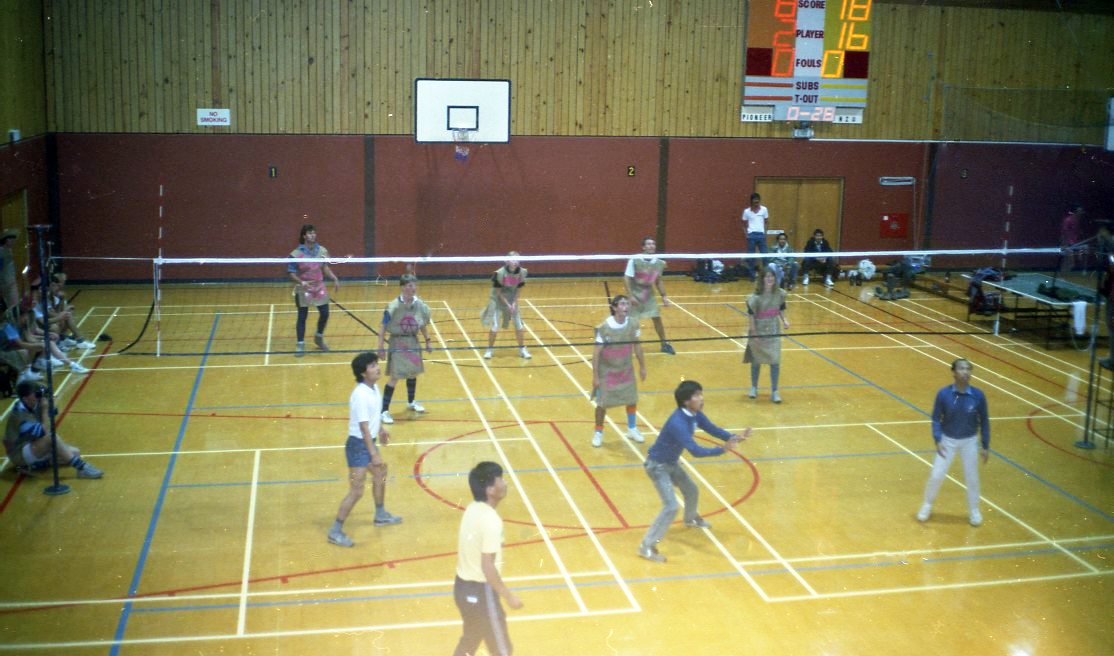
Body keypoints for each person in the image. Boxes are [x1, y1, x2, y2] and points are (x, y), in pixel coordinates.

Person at [638, 380, 749, 563]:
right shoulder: (678, 422)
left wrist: (734, 437)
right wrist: (723, 449)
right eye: (697, 395)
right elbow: (695, 451)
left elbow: (712, 428)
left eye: (700, 394)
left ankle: (690, 520)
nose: (701, 398)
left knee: (691, 490)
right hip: (657, 468)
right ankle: (646, 546)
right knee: (671, 506)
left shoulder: (694, 414)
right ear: (686, 401)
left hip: (671, 463)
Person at [328, 352, 401, 547]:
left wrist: (382, 429)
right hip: (358, 447)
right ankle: (335, 531)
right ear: (363, 373)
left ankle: (380, 514)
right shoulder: (360, 395)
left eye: (376, 364)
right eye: (372, 366)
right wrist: (374, 454)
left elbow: (373, 417)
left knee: (381, 474)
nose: (377, 368)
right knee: (357, 491)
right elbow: (363, 427)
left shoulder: (374, 388)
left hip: (368, 442)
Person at [453, 461, 521, 656]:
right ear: (491, 489)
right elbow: (488, 566)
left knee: (471, 638)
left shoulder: (472, 508)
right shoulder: (491, 521)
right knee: (501, 649)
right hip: (482, 593)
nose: (505, 482)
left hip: (462, 588)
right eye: (500, 478)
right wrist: (508, 596)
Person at [916, 358, 990, 527]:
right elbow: (935, 418)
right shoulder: (943, 394)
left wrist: (985, 445)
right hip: (947, 442)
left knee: (972, 478)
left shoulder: (978, 396)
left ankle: (974, 511)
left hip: (969, 442)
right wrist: (938, 439)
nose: (966, 372)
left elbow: (985, 421)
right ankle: (927, 505)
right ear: (954, 373)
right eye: (962, 368)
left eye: (968, 369)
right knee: (936, 475)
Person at [4, 380, 102, 478]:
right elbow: (44, 433)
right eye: (35, 396)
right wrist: (45, 409)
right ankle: (81, 468)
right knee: (51, 438)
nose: (38, 398)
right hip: (19, 453)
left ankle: (37, 464)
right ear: (25, 399)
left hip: (33, 445)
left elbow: (54, 411)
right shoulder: (19, 415)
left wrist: (47, 397)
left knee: (75, 453)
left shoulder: (30, 404)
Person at [591, 295, 646, 447]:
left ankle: (632, 429)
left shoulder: (633, 324)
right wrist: (595, 376)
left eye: (627, 304)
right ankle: (598, 432)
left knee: (631, 398)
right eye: (622, 304)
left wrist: (642, 366)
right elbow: (596, 354)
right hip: (607, 372)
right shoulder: (604, 328)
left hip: (626, 369)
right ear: (614, 308)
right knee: (602, 404)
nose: (626, 307)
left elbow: (637, 346)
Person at [378, 273, 432, 425]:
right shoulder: (393, 306)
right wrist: (380, 346)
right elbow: (382, 326)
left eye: (414, 285)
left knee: (412, 373)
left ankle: (411, 402)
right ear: (402, 287)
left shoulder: (419, 304)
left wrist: (428, 341)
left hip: (413, 343)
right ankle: (384, 411)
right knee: (395, 377)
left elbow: (422, 324)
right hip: (398, 343)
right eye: (409, 285)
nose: (413, 288)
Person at [288, 223, 340, 357]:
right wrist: (302, 282)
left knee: (325, 313)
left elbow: (325, 267)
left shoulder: (322, 250)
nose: (313, 235)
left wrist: (334, 278)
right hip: (304, 287)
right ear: (304, 236)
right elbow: (291, 273)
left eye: (314, 233)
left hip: (319, 286)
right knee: (302, 316)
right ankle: (300, 344)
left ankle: (319, 337)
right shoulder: (296, 254)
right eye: (310, 233)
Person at [745, 270, 789, 403]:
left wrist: (784, 320)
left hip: (773, 329)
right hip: (758, 329)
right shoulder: (755, 297)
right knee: (756, 362)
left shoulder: (780, 294)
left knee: (775, 362)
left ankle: (775, 391)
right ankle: (754, 388)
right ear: (762, 279)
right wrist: (754, 334)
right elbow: (751, 316)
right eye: (767, 276)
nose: (770, 279)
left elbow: (780, 309)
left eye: (772, 276)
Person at [625, 237, 675, 354]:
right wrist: (630, 295)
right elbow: (626, 277)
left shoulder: (659, 263)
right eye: (648, 244)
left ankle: (664, 344)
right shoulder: (634, 260)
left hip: (649, 294)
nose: (651, 246)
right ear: (643, 247)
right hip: (635, 294)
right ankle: (625, 346)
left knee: (657, 319)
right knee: (631, 322)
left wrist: (664, 296)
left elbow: (658, 280)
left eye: (653, 244)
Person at [481, 252, 531, 360]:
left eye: (517, 260)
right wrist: (507, 305)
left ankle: (522, 349)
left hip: (512, 300)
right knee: (495, 326)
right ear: (507, 261)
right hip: (498, 301)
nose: (515, 262)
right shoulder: (499, 273)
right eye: (513, 260)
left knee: (519, 326)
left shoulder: (522, 272)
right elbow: (498, 293)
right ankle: (489, 350)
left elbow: (518, 290)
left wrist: (513, 303)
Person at [741, 193, 770, 280]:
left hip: (761, 235)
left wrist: (765, 233)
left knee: (765, 256)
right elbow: (743, 224)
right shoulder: (746, 211)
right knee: (751, 257)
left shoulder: (764, 210)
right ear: (751, 201)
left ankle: (766, 275)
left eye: (757, 199)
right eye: (754, 199)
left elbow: (767, 222)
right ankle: (752, 276)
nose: (756, 201)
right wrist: (747, 234)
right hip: (751, 235)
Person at [1060, 203, 1083, 273]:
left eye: (1081, 211)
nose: (1080, 212)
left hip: (1075, 243)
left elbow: (1076, 231)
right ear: (1075, 211)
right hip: (1067, 243)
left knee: (1075, 260)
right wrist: (1065, 243)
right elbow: (1064, 231)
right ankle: (1063, 274)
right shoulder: (1068, 220)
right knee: (1068, 260)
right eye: (1079, 211)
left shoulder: (1078, 220)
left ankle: (1067, 274)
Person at [0, 229, 19, 311]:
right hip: (6, 283)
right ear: (6, 240)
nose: (13, 241)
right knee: (11, 305)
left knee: (14, 304)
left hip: (11, 281)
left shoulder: (8, 250)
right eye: (10, 239)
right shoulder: (1, 251)